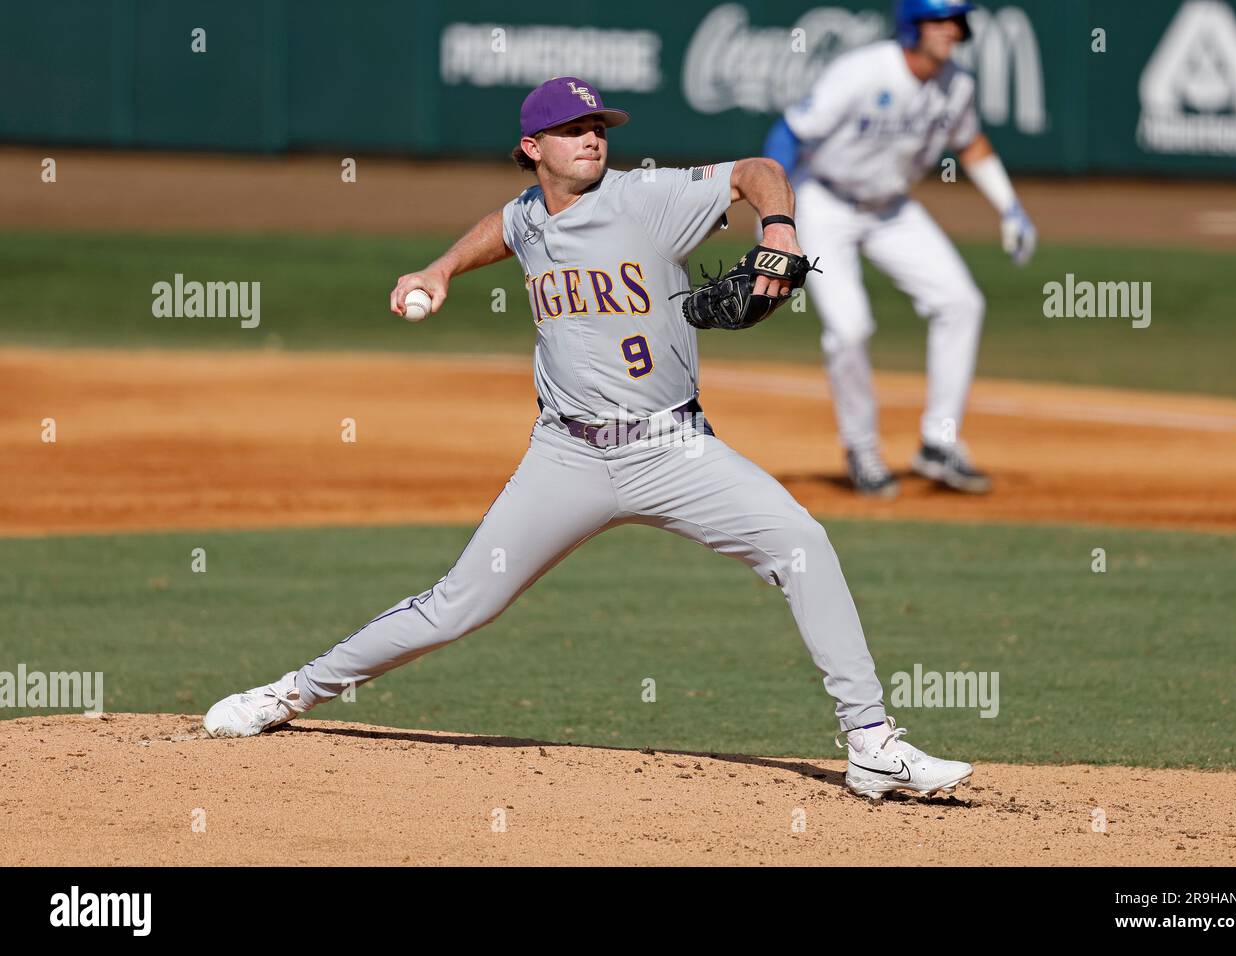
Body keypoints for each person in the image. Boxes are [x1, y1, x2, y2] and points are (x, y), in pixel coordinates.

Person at [201, 75, 973, 801]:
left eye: (598, 127)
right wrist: (440, 269)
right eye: (572, 131)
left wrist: (776, 225)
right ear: (532, 149)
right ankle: (289, 693)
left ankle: (870, 742)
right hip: (566, 455)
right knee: (457, 606)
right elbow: (503, 228)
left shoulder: (646, 199)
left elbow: (757, 167)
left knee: (802, 544)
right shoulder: (530, 214)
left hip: (674, 450)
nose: (592, 139)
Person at [763, 0, 1037, 497]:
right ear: (912, 24)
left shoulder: (957, 85)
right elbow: (789, 132)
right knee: (849, 329)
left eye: (956, 21)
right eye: (940, 20)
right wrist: (775, 217)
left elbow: (970, 144)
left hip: (891, 209)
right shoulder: (863, 72)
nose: (951, 30)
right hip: (825, 200)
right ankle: (861, 448)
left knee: (961, 303)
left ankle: (939, 443)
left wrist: (1009, 206)